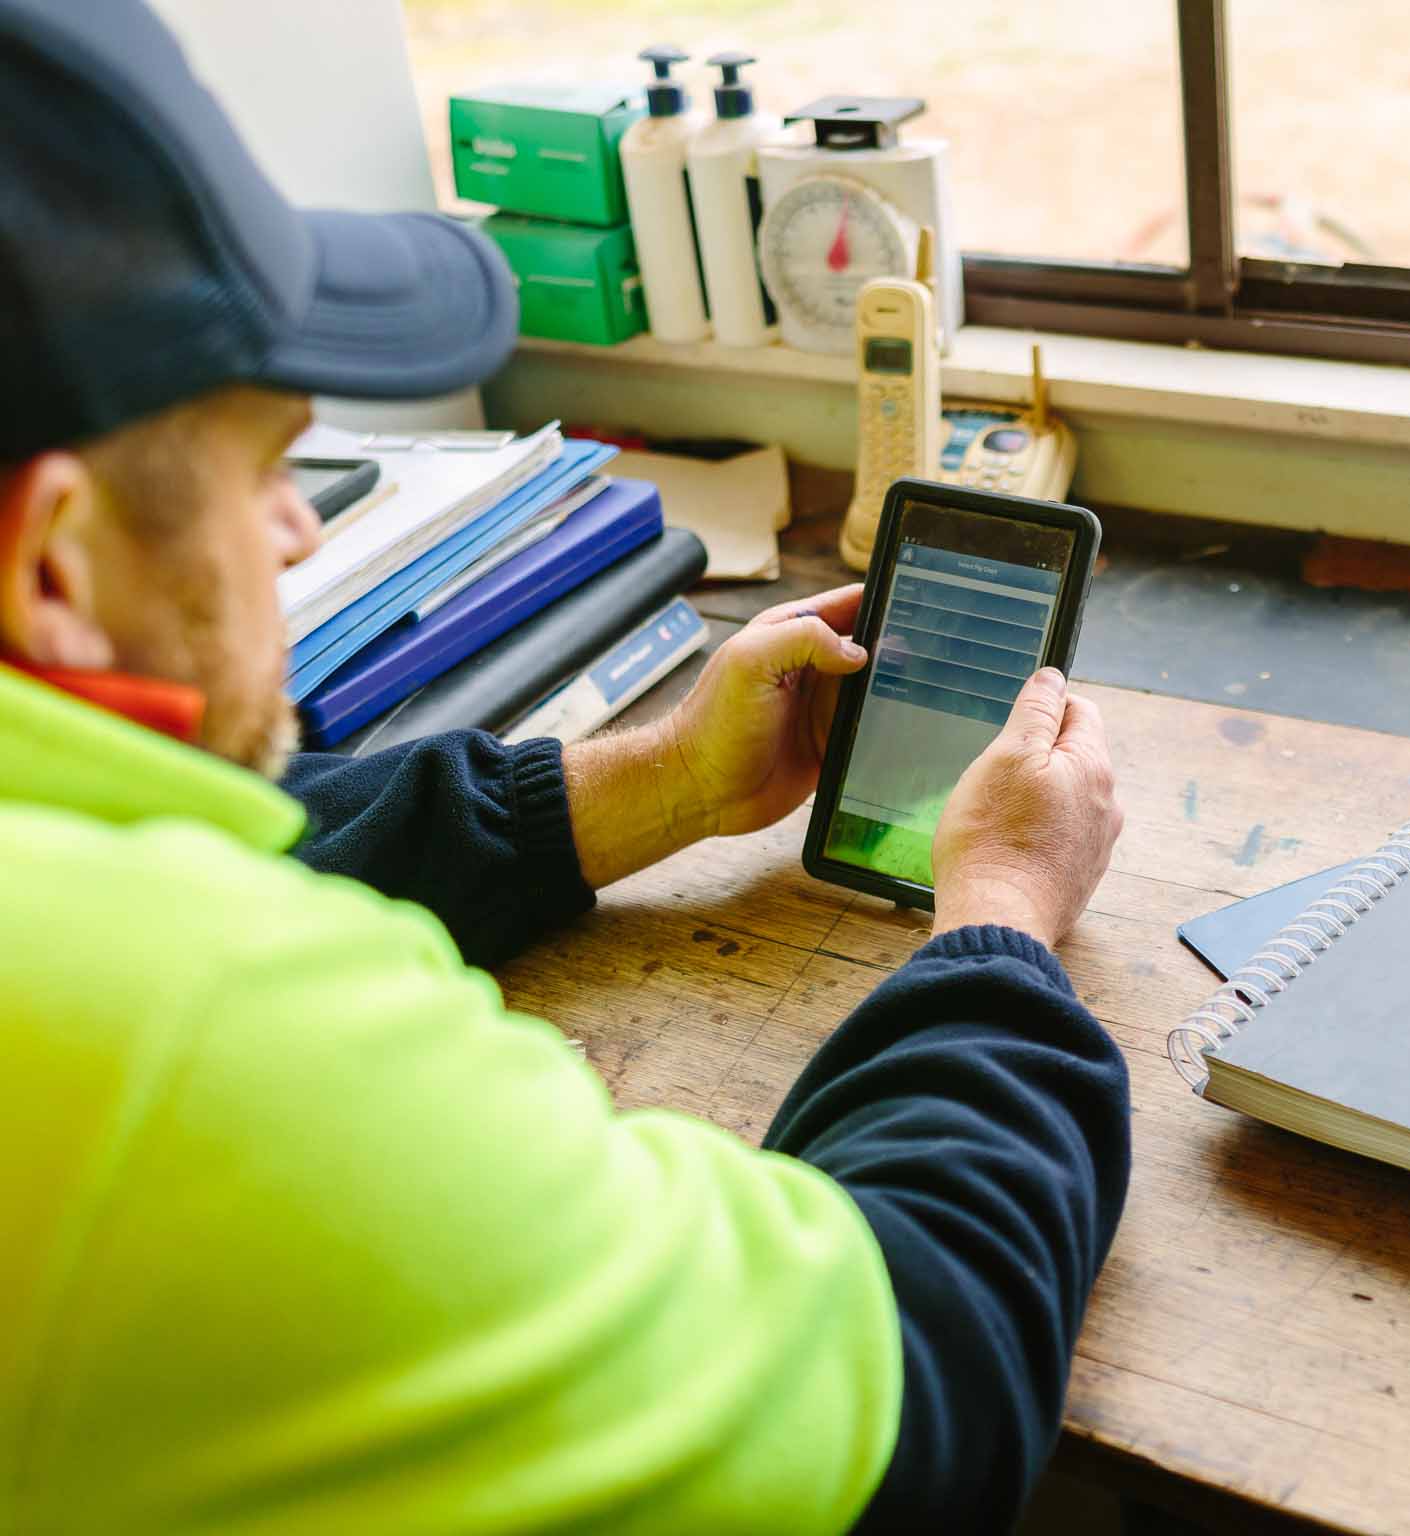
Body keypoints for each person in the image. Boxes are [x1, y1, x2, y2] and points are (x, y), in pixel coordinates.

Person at [0, 3, 1129, 1532]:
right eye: (265, 465)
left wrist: (656, 784)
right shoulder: (208, 1048)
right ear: (56, 566)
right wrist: (998, 918)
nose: (298, 532)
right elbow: (921, 1388)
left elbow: (241, 837)